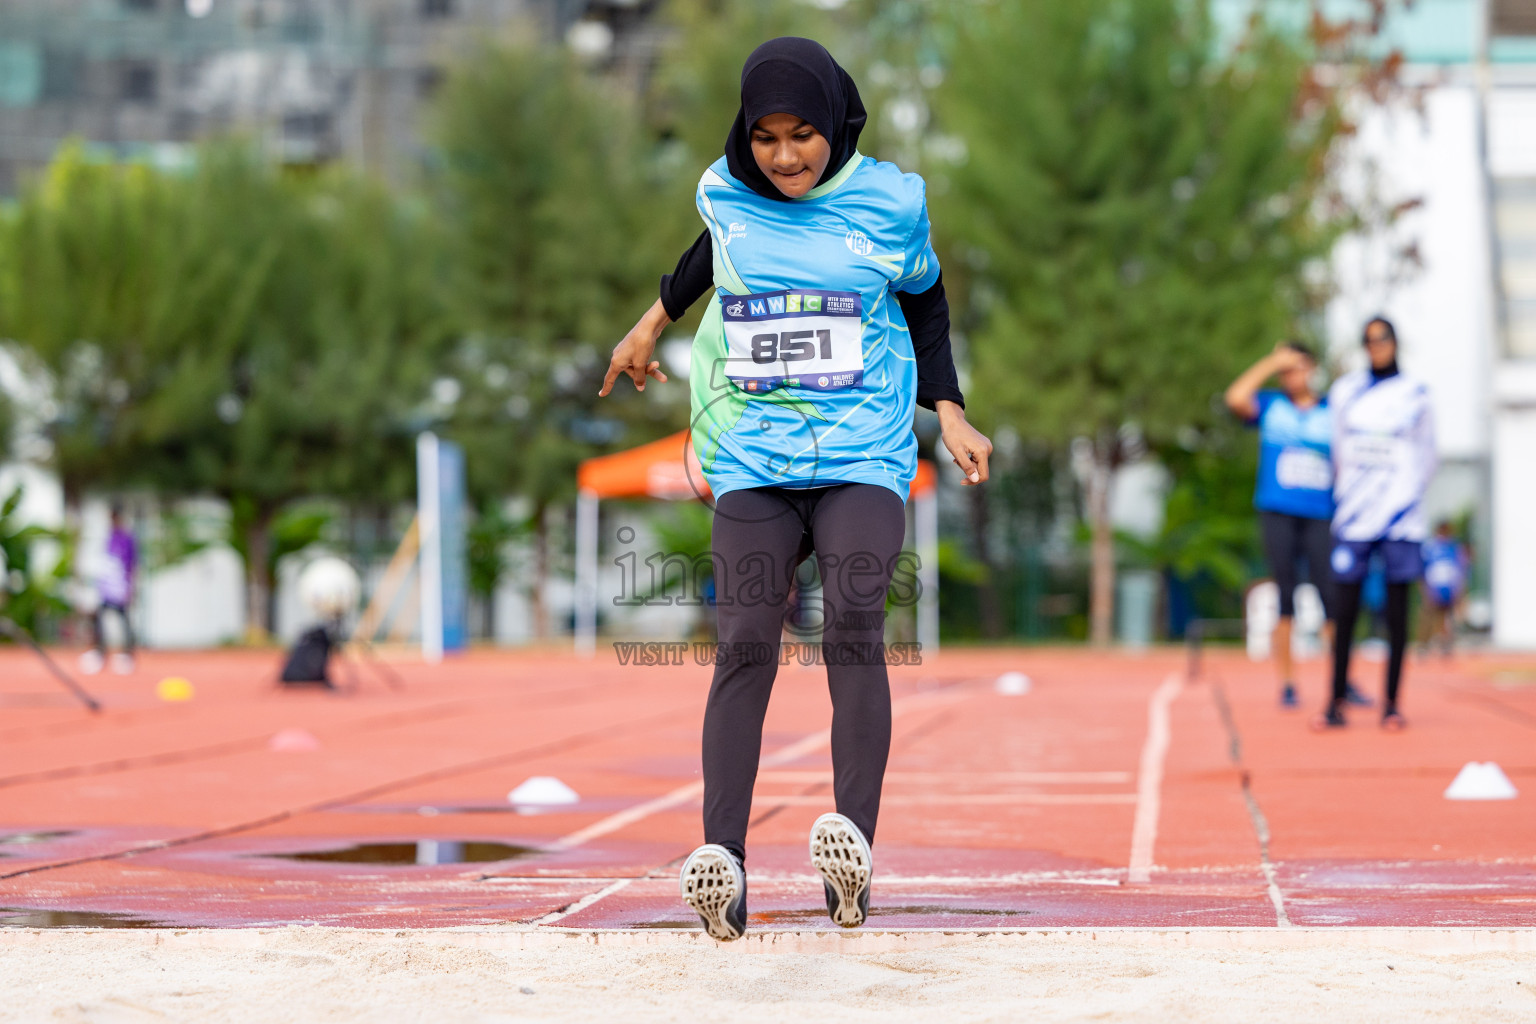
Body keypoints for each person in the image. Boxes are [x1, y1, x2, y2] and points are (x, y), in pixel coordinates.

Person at [599, 37, 992, 941]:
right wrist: (650, 320)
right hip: (754, 457)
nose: (784, 157)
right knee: (742, 639)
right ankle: (722, 865)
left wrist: (953, 410)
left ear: (835, 124)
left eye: (803, 135)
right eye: (767, 137)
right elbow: (713, 250)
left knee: (853, 621)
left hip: (862, 453)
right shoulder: (726, 191)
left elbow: (926, 302)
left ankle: (850, 843)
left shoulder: (891, 204)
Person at [1317, 316, 1436, 730]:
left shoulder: (1416, 394)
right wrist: (1351, 495)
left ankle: (1392, 703)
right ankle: (1335, 699)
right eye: (1368, 340)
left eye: (1383, 339)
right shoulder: (1346, 391)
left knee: (1396, 612)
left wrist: (1403, 497)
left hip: (1401, 519)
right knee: (1344, 610)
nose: (1376, 346)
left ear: (1395, 343)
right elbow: (1336, 449)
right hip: (1354, 517)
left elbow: (1427, 455)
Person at [1225, 341, 1345, 709]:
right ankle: (1288, 683)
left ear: (1312, 368)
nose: (1290, 376)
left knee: (1331, 596)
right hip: (1278, 511)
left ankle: (1341, 679)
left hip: (1320, 514)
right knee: (1286, 597)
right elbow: (1235, 397)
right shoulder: (1272, 406)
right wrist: (1271, 361)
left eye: (1296, 367)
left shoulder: (1333, 411)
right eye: (1285, 370)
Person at [80, 504, 137, 676]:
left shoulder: (127, 539)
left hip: (121, 586)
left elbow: (133, 564)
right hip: (106, 587)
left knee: (124, 620)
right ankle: (100, 653)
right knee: (98, 620)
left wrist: (131, 587)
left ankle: (127, 655)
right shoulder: (107, 537)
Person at [1419, 520, 1469, 658]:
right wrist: (1425, 589)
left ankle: (1446, 647)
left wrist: (1460, 590)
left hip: (1449, 589)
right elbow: (1423, 570)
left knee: (1448, 621)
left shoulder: (1454, 548)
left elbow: (1461, 570)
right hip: (1433, 588)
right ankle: (1423, 646)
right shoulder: (1430, 548)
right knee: (1428, 619)